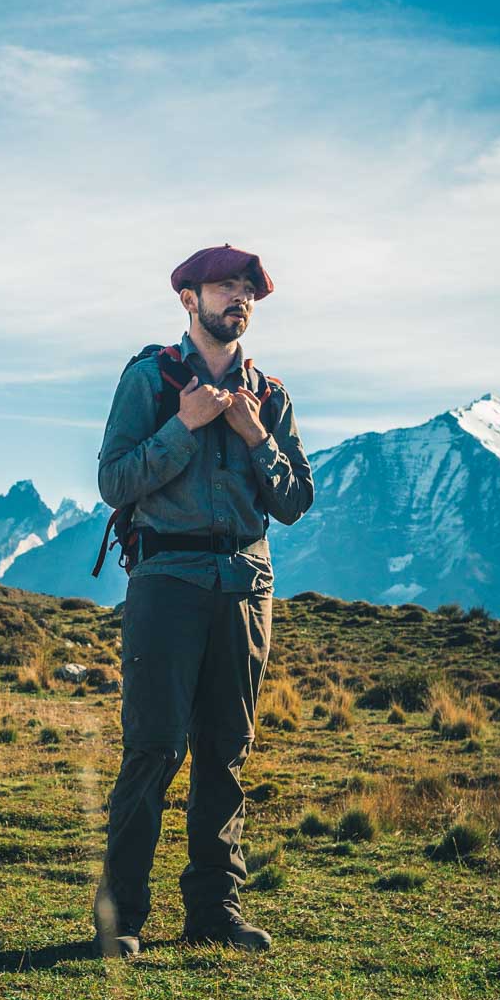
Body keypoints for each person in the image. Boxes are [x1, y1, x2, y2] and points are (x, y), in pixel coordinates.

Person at [93, 243, 314, 958]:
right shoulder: (150, 381)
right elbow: (115, 481)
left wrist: (255, 438)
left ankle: (214, 913)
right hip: (166, 581)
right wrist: (182, 426)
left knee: (226, 752)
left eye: (248, 289)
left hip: (247, 587)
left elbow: (294, 502)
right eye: (225, 287)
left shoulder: (270, 396)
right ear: (189, 299)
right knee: (154, 749)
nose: (239, 298)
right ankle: (119, 917)